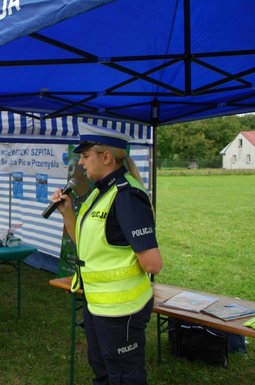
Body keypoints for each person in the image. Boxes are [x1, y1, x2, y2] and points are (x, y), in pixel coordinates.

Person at [51, 124, 163, 385]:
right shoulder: (99, 192)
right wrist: (68, 213)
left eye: (85, 155)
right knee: (102, 371)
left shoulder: (127, 195)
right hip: (97, 304)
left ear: (106, 157)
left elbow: (153, 264)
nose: (81, 162)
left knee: (125, 378)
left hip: (122, 311)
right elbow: (87, 245)